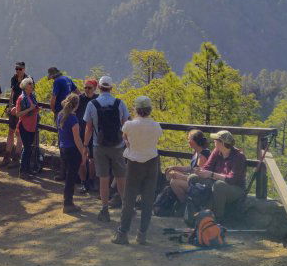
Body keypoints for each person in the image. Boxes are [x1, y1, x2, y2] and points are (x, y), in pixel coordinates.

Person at [112, 96, 163, 245]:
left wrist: (130, 144)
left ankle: (123, 233)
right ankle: (142, 235)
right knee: (148, 200)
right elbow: (156, 140)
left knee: (129, 199)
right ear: (149, 109)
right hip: (152, 163)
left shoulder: (129, 125)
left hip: (134, 163)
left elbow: (125, 138)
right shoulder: (156, 126)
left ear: (136, 109)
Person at [82, 75, 130, 222]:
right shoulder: (120, 103)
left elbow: (88, 128)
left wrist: (85, 146)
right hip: (117, 146)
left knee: (103, 179)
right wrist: (128, 143)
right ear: (111, 88)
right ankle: (126, 209)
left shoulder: (92, 104)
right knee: (121, 178)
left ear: (99, 88)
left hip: (99, 146)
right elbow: (126, 126)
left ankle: (104, 210)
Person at [191, 130, 247, 222]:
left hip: (236, 188)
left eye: (216, 140)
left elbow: (232, 180)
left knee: (219, 185)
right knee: (193, 178)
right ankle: (194, 212)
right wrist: (200, 171)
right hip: (216, 182)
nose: (214, 141)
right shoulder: (216, 151)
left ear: (222, 143)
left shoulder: (239, 157)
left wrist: (212, 174)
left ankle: (218, 218)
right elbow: (207, 167)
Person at [56, 94, 89, 213]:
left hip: (64, 148)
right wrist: (83, 152)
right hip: (72, 150)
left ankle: (68, 201)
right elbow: (77, 139)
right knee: (71, 177)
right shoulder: (73, 119)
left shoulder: (60, 115)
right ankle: (68, 203)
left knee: (68, 176)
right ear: (77, 105)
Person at [48, 67, 78, 181]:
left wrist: (54, 110)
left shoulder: (57, 82)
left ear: (52, 76)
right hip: (70, 112)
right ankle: (71, 172)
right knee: (71, 139)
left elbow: (53, 99)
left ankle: (63, 173)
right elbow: (77, 93)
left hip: (61, 113)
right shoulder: (67, 79)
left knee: (62, 142)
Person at [165, 129, 211, 204]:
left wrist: (179, 176)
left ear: (194, 141)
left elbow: (198, 178)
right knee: (173, 174)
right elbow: (190, 168)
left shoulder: (202, 156)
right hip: (194, 180)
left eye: (189, 139)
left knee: (174, 182)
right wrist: (174, 167)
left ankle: (185, 204)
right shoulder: (197, 151)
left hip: (200, 185)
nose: (188, 141)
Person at [75, 78, 99, 193]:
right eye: (85, 87)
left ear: (95, 88)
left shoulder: (98, 99)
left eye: (89, 88)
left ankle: (91, 180)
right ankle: (84, 182)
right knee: (82, 159)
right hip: (80, 133)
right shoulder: (80, 99)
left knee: (92, 159)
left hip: (94, 134)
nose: (87, 90)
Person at [13, 77, 40, 177]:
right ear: (24, 86)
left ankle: (27, 169)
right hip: (24, 126)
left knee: (29, 148)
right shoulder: (21, 98)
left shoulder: (32, 96)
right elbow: (18, 114)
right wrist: (30, 109)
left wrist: (35, 109)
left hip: (32, 126)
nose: (31, 85)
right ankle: (23, 171)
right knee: (27, 148)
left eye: (32, 83)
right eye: (29, 83)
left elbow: (34, 108)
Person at [2, 62, 27, 168]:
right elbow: (12, 93)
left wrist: (17, 108)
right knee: (11, 132)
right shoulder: (14, 78)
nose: (18, 71)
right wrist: (10, 106)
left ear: (24, 69)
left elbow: (28, 95)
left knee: (19, 133)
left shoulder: (28, 80)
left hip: (22, 110)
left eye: (20, 69)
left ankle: (16, 159)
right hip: (13, 110)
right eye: (16, 69)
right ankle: (6, 157)